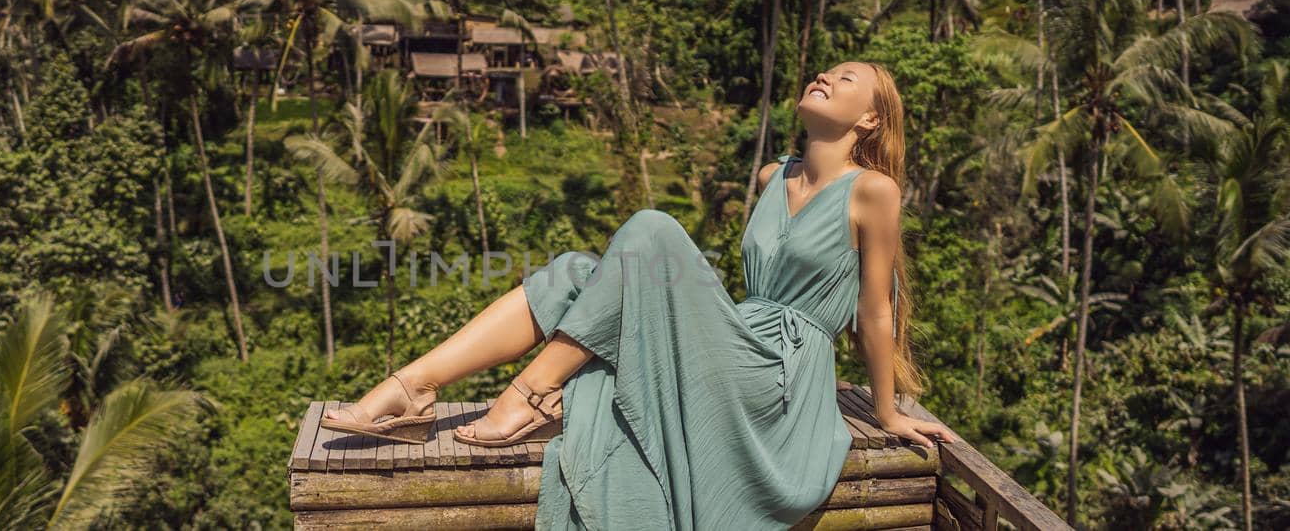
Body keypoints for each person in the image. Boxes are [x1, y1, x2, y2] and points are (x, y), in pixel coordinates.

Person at [317, 61, 958, 529]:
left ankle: (530, 392)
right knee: (573, 270)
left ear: (870, 118)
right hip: (739, 336)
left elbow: (876, 310)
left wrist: (888, 409)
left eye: (846, 79)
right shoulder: (772, 175)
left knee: (652, 229)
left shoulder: (874, 190)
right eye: (824, 71)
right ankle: (414, 388)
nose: (825, 76)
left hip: (779, 378)